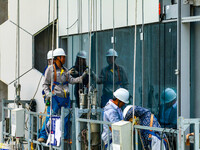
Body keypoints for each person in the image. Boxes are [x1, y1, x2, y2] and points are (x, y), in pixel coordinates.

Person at [38, 48, 87, 142]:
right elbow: (45, 84)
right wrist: (48, 94)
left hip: (65, 98)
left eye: (64, 57)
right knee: (50, 115)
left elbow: (71, 80)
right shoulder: (50, 69)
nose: (64, 59)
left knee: (66, 117)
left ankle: (64, 136)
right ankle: (43, 135)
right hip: (55, 97)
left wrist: (82, 77)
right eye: (62, 57)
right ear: (57, 58)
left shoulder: (65, 70)